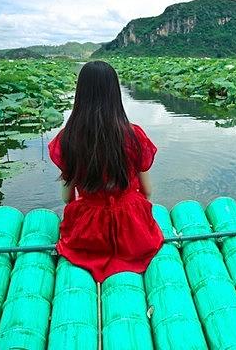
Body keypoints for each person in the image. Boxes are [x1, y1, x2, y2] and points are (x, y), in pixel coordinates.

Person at [47, 60, 164, 283]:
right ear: (114, 93)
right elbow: (147, 191)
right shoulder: (134, 136)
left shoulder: (68, 138)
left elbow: (66, 198)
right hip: (132, 230)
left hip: (89, 233)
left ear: (81, 94)